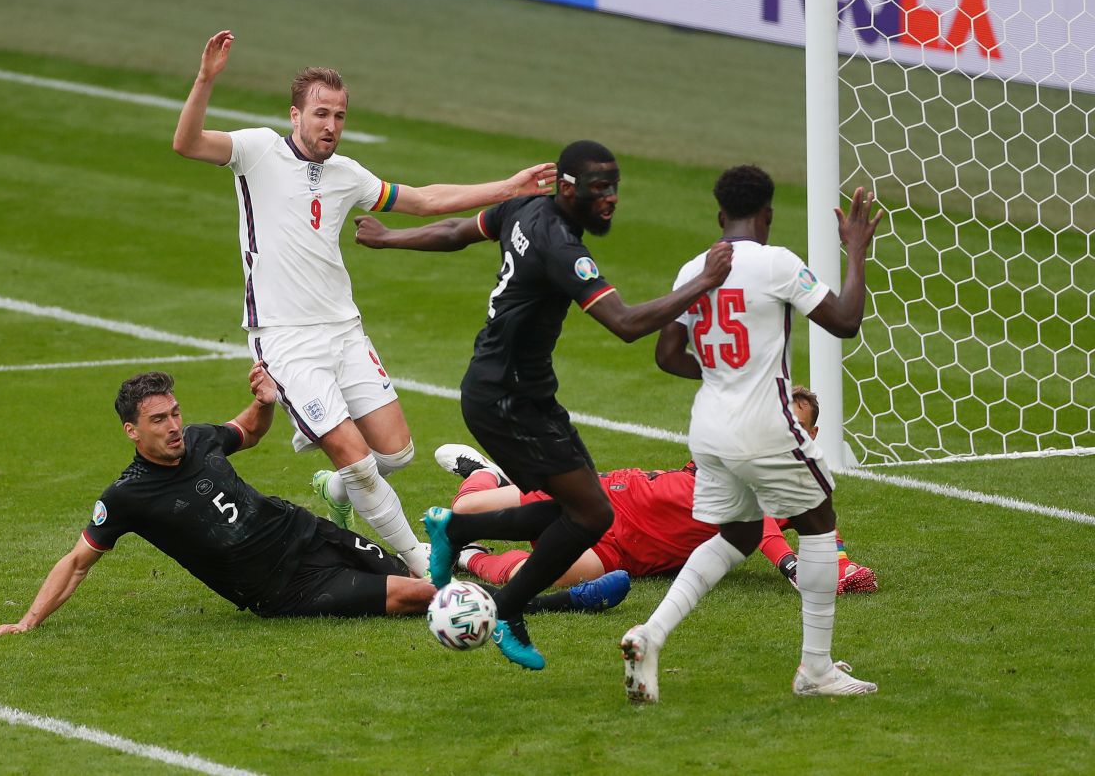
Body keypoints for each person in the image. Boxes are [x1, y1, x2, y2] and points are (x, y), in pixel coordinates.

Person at [171, 30, 557, 579]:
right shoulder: (256, 151)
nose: (331, 125)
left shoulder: (347, 174)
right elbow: (187, 144)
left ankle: (335, 488)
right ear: (296, 114)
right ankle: (427, 567)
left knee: (395, 454)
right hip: (285, 337)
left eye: (340, 116)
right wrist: (206, 78)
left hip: (344, 330)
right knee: (357, 458)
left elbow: (422, 200)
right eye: (321, 113)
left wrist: (508, 188)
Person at [353, 140, 733, 669]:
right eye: (600, 188)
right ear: (568, 187)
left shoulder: (523, 209)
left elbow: (456, 232)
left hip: (523, 394)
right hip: (506, 399)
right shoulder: (561, 247)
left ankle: (459, 530)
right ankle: (508, 607)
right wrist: (704, 282)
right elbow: (623, 324)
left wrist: (390, 239)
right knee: (593, 512)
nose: (612, 198)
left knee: (577, 512)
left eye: (615, 186)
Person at [0, 367, 625, 640]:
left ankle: (492, 579)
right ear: (132, 430)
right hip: (281, 589)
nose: (174, 426)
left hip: (307, 535)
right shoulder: (127, 497)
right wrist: (29, 620)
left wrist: (262, 399)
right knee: (415, 596)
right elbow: (77, 562)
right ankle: (560, 600)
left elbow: (247, 432)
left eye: (174, 412)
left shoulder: (202, 440)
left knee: (426, 574)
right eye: (158, 419)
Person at [620, 166, 885, 702]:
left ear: (721, 216)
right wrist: (855, 250)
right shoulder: (777, 263)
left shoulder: (694, 267)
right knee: (818, 521)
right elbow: (846, 321)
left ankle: (651, 633)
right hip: (766, 424)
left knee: (738, 535)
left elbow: (668, 355)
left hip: (710, 430)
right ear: (767, 214)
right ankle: (816, 670)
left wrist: (724, 375)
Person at [436, 386, 876, 595]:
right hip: (610, 502)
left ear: (813, 432)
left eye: (797, 426)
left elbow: (827, 539)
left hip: (629, 555)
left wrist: (843, 568)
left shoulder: (805, 489)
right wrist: (791, 568)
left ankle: (468, 555)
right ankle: (487, 473)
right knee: (466, 507)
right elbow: (758, 524)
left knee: (532, 578)